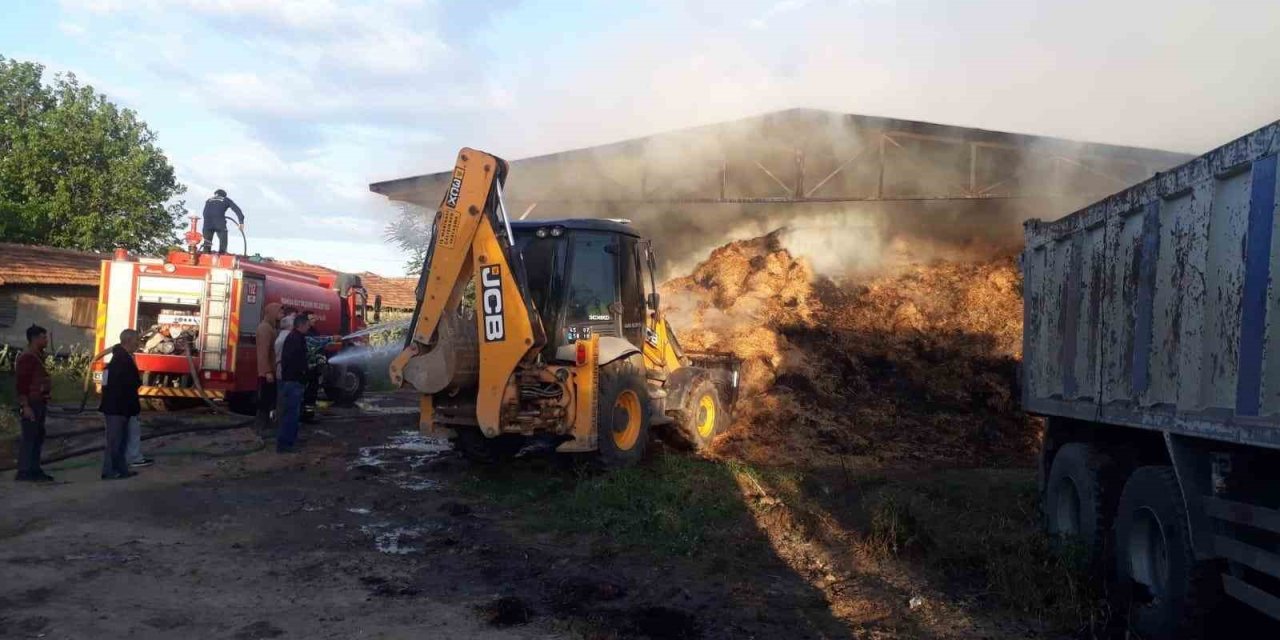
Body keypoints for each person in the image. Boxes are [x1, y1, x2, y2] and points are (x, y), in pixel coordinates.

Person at [99, 329, 142, 480]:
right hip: (117, 408)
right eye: (137, 340)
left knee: (121, 441)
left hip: (120, 408)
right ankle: (110, 471)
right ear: (129, 340)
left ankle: (121, 469)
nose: (138, 343)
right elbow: (126, 384)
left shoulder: (121, 358)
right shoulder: (121, 360)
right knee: (115, 441)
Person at [14, 325, 54, 482]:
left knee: (37, 436)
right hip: (32, 403)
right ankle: (24, 471)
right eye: (43, 338)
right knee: (30, 437)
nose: (46, 340)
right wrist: (25, 406)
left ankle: (34, 469)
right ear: (35, 339)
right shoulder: (27, 358)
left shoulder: (37, 356)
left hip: (39, 402)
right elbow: (21, 384)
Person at [277, 313, 312, 453]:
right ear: (301, 325)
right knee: (291, 414)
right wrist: (304, 372)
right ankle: (285, 444)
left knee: (292, 413)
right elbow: (296, 361)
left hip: (292, 381)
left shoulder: (295, 337)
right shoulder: (295, 339)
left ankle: (289, 442)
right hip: (293, 382)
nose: (309, 327)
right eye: (307, 325)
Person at [255, 302, 283, 434]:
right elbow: (263, 353)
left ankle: (266, 424)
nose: (281, 315)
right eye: (279, 312)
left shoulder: (271, 327)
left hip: (271, 371)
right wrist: (267, 372)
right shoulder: (265, 328)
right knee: (265, 400)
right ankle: (261, 427)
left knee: (270, 399)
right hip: (267, 373)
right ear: (272, 312)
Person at [200, 188, 244, 255]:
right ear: (224, 195)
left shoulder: (208, 200)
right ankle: (222, 254)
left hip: (207, 223)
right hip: (219, 223)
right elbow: (237, 210)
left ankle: (205, 255)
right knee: (223, 241)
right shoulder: (226, 199)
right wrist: (241, 222)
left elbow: (204, 212)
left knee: (207, 244)